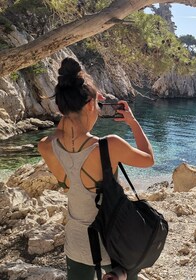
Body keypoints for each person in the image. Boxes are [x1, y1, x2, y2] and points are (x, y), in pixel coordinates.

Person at [38, 57, 154, 280]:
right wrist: (133, 122)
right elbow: (149, 159)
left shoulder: (46, 147)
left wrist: (73, 108)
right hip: (112, 243)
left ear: (62, 107)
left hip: (75, 245)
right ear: (91, 104)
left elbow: (60, 132)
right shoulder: (110, 145)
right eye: (96, 105)